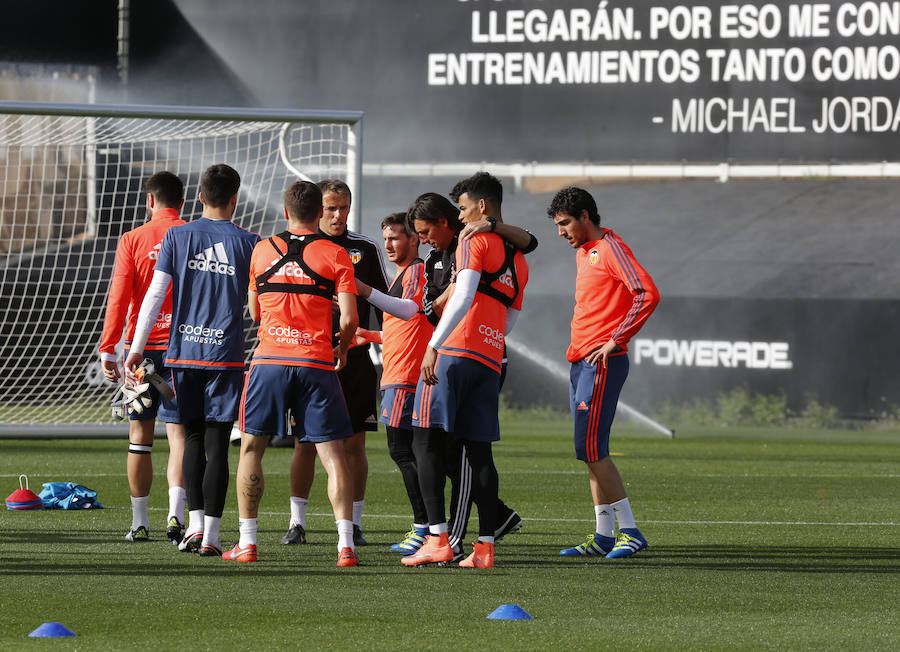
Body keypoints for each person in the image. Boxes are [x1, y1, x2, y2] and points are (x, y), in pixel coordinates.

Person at [126, 164, 260, 557]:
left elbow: (154, 295)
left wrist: (136, 346)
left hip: (183, 354)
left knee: (192, 439)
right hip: (226, 357)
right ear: (235, 199)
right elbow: (259, 307)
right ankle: (213, 536)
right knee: (218, 442)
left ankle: (195, 526)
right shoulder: (250, 242)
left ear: (200, 196)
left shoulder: (177, 236)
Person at [224, 181, 359, 566]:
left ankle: (247, 544)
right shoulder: (336, 254)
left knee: (252, 449)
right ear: (320, 213)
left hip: (268, 362)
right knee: (333, 456)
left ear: (285, 213)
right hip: (316, 362)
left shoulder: (262, 249)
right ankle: (345, 546)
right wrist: (343, 348)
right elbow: (348, 318)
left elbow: (254, 313)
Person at [401, 192, 529, 568]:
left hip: (454, 352)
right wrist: (491, 346)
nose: (460, 215)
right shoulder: (520, 260)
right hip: (490, 356)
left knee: (422, 440)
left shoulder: (472, 241)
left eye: (462, 207)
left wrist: (434, 345)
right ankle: (485, 548)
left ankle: (438, 539)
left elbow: (464, 295)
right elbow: (510, 321)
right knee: (480, 453)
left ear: (481, 206)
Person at [547, 186, 660, 559]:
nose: (560, 232)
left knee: (592, 448)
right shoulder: (586, 253)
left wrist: (616, 339)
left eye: (565, 223)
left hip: (602, 363)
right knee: (588, 450)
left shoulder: (610, 250)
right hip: (581, 363)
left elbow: (646, 292)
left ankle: (630, 531)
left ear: (585, 217)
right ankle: (603, 536)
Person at [281, 179, 388, 547]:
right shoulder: (299, 247)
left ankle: (354, 523)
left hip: (355, 361)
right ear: (316, 210)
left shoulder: (365, 249)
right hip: (309, 359)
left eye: (344, 207)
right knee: (305, 443)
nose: (338, 215)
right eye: (331, 208)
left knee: (355, 444)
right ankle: (297, 523)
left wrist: (389, 345)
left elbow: (385, 305)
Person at [98, 171, 187, 544]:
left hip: (142, 352)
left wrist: (108, 346)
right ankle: (177, 518)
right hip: (187, 348)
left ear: (150, 201)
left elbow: (119, 296)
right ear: (182, 202)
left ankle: (139, 524)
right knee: (181, 434)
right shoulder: (191, 234)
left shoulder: (133, 239)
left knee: (140, 436)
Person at [353, 213, 432, 555]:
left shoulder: (416, 271)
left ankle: (425, 527)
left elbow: (410, 310)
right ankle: (433, 526)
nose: (388, 245)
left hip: (406, 376)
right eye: (385, 238)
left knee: (404, 451)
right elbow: (402, 328)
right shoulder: (403, 273)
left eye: (395, 238)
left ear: (414, 239)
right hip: (398, 373)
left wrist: (362, 289)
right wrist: (369, 335)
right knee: (416, 452)